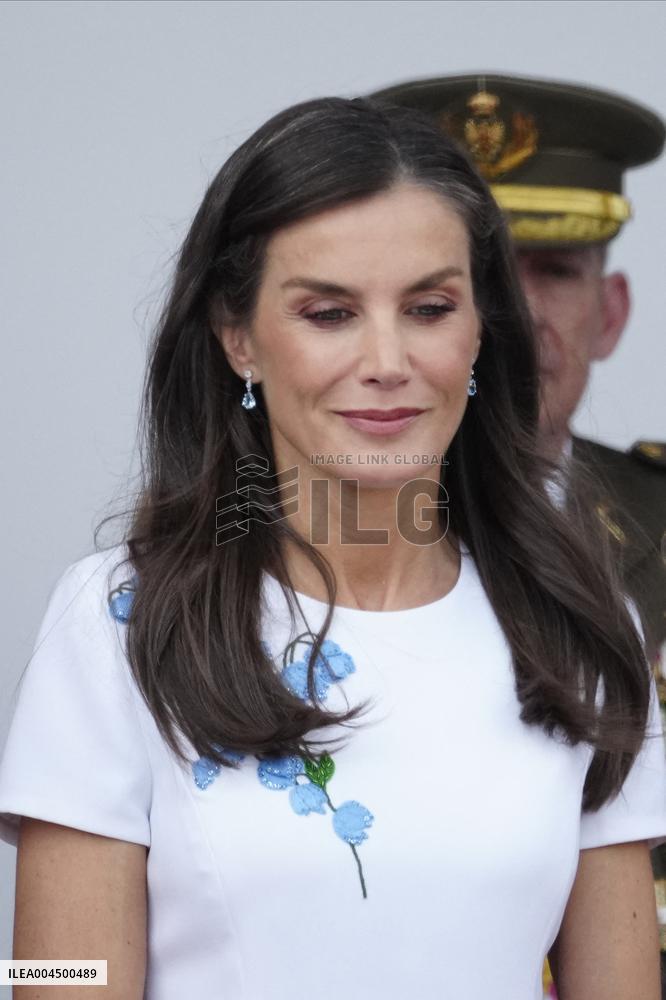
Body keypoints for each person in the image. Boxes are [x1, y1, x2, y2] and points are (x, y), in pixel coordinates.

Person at [0, 95, 664, 1000]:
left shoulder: (579, 621)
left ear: (479, 334)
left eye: (429, 307)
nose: (388, 358)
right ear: (238, 336)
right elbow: (52, 974)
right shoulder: (119, 618)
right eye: (329, 313)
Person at [367, 72, 666, 997]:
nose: (516, 312)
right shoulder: (190, 577)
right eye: (477, 274)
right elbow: (61, 966)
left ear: (610, 313)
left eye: (555, 270)